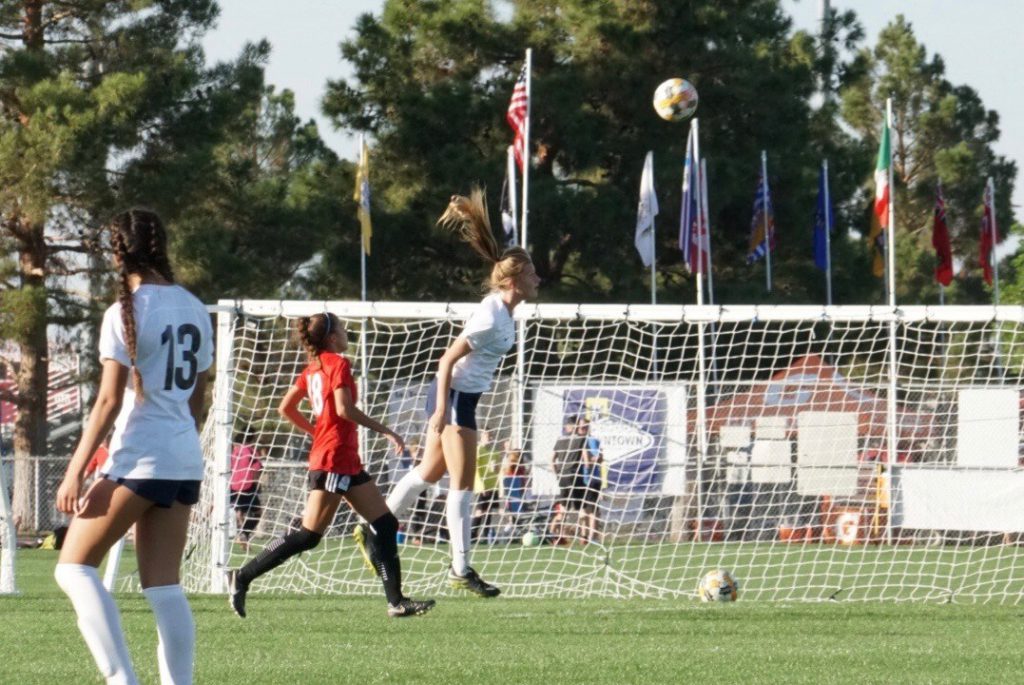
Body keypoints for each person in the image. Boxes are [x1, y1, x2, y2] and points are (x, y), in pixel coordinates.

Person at [54, 208, 213, 685]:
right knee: (164, 588)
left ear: (117, 254)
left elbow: (105, 402)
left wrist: (75, 470)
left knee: (73, 568)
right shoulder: (193, 305)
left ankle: (122, 679)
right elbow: (197, 402)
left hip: (140, 455)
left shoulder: (124, 311)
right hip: (184, 457)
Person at [361, 188, 540, 597]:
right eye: (532, 274)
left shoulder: (507, 311)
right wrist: (441, 409)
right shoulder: (491, 313)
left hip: (462, 399)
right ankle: (460, 568)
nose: (538, 278)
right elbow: (446, 360)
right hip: (454, 397)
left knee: (429, 473)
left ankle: (374, 526)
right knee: (461, 483)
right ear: (514, 280)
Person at [227, 313, 434, 619]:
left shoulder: (313, 368)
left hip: (343, 458)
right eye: (342, 328)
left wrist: (316, 431)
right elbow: (343, 409)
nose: (347, 332)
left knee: (386, 524)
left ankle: (397, 601)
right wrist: (386, 430)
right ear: (333, 337)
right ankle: (241, 577)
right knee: (309, 536)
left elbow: (286, 407)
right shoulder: (337, 363)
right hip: (334, 459)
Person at [548, 415, 587, 545]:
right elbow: (586, 460)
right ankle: (583, 536)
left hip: (563, 477)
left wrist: (557, 474)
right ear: (576, 426)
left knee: (563, 509)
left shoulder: (560, 440)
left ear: (567, 426)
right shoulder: (581, 439)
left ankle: (557, 535)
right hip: (575, 477)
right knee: (581, 508)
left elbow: (552, 460)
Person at [229, 431, 264, 552]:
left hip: (232, 486)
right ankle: (244, 534)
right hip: (246, 485)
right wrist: (256, 484)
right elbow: (257, 468)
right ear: (252, 438)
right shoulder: (250, 450)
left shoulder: (233, 451)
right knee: (257, 512)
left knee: (240, 512)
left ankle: (244, 540)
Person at [471, 429, 502, 543]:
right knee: (479, 511)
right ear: (482, 436)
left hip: (492, 485)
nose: (489, 437)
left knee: (488, 511)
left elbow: (497, 468)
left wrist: (496, 468)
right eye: (487, 435)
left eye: (490, 435)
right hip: (481, 486)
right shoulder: (479, 450)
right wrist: (481, 486)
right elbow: (476, 469)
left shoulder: (494, 450)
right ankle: (472, 535)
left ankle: (485, 536)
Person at [578, 425, 603, 544]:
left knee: (593, 510)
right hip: (581, 480)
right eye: (580, 427)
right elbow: (588, 462)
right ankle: (584, 535)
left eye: (584, 427)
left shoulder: (594, 441)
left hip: (593, 480)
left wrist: (590, 460)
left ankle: (591, 536)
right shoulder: (577, 441)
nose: (582, 429)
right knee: (586, 510)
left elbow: (600, 457)